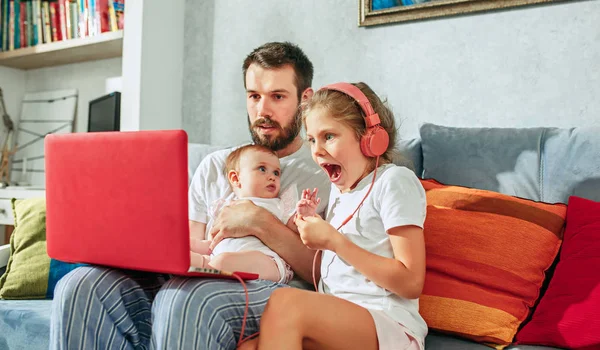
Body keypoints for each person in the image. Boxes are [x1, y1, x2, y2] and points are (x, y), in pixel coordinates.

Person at [50, 41, 331, 349]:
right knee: (79, 286)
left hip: (273, 285)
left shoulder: (325, 172)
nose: (262, 111)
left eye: (277, 96)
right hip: (199, 277)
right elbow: (188, 252)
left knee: (184, 298)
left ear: (305, 100)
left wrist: (260, 221)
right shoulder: (215, 165)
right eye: (253, 96)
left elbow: (323, 274)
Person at [242, 82, 428, 350]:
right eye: (312, 139)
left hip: (388, 324)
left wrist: (334, 241)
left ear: (369, 137)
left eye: (329, 136)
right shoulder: (341, 191)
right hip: (340, 321)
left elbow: (411, 282)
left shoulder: (394, 181)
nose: (317, 150)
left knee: (286, 302)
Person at [190, 144, 300, 283]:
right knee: (190, 255)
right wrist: (190, 245)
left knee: (223, 262)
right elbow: (212, 242)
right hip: (219, 259)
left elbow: (293, 230)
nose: (272, 177)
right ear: (236, 179)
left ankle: (208, 267)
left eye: (276, 173)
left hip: (267, 262)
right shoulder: (226, 207)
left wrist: (304, 214)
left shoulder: (278, 204)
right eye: (262, 169)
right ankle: (204, 265)